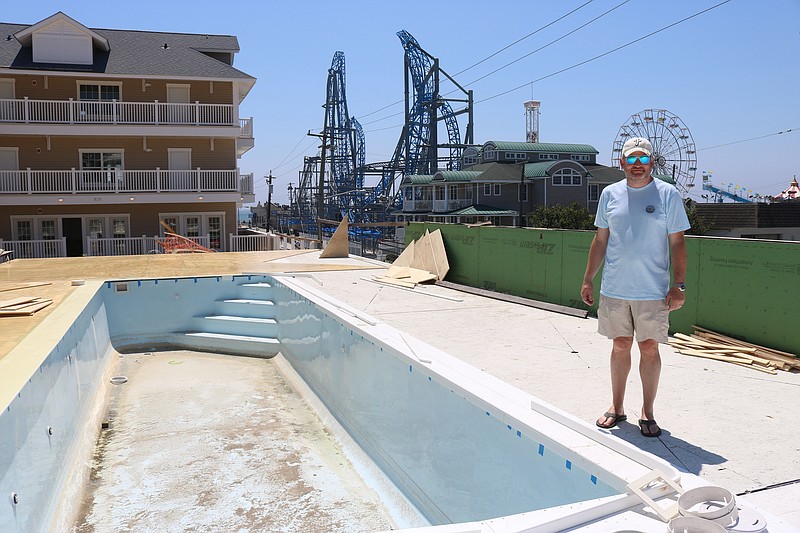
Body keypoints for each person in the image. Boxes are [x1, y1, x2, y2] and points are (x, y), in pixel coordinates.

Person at [580, 137, 690, 438]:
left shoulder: (667, 194)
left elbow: (678, 242)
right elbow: (600, 240)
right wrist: (589, 277)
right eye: (631, 159)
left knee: (649, 347)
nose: (637, 165)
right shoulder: (609, 194)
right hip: (615, 288)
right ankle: (616, 407)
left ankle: (648, 412)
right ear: (621, 163)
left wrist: (678, 285)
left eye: (643, 159)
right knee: (619, 345)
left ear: (652, 163)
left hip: (653, 290)